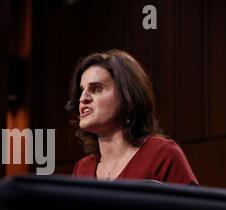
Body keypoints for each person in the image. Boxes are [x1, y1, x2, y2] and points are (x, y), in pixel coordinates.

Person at [65, 49, 199, 185]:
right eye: (82, 91)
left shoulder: (162, 155)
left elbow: (193, 206)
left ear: (127, 96)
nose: (83, 98)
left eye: (97, 89)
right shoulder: (82, 169)